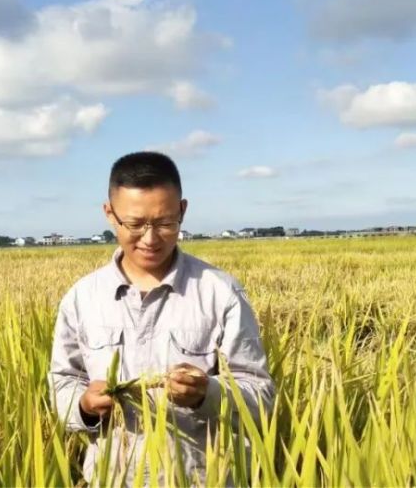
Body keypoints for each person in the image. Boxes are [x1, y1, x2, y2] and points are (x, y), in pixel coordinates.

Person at [48, 151, 275, 485]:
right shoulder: (82, 298)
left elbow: (262, 397)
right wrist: (84, 405)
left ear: (182, 211)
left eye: (166, 223)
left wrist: (206, 392)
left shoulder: (221, 293)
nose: (151, 238)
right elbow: (62, 384)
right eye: (136, 224)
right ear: (110, 214)